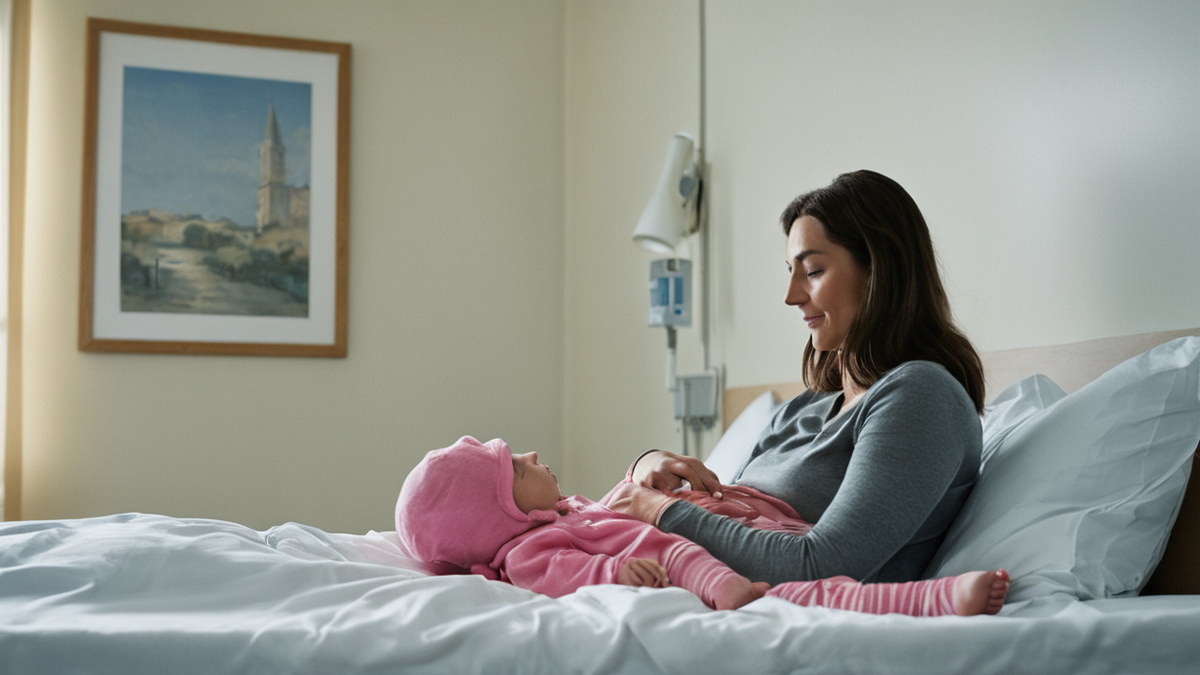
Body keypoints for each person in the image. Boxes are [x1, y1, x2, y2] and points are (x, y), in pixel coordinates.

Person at [608, 170, 987, 587]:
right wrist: (646, 468)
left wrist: (659, 512)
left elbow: (821, 565)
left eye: (813, 270)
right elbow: (735, 517)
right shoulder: (802, 410)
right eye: (790, 270)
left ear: (878, 271)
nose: (791, 295)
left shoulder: (921, 396)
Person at [395, 436, 1009, 615]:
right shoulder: (533, 546)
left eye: (812, 270)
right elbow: (570, 573)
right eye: (514, 468)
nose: (530, 455)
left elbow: (614, 514)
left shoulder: (561, 511)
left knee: (811, 588)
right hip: (699, 565)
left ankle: (938, 594)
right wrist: (618, 568)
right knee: (818, 598)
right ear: (507, 509)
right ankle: (937, 600)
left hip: (733, 547)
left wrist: (642, 472)